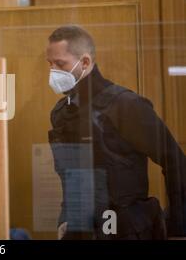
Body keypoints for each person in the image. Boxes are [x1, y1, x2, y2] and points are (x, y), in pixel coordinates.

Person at [46, 25, 186, 240]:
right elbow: (70, 175)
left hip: (126, 227)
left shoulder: (125, 105)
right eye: (50, 64)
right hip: (81, 227)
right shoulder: (62, 112)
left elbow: (175, 161)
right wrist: (66, 219)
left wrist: (178, 226)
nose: (53, 71)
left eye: (60, 64)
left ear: (84, 62)